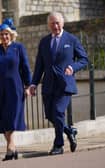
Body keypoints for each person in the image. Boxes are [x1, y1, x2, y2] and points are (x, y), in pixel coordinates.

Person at [29, 12, 88, 155]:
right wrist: (33, 84)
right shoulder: (44, 42)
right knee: (50, 115)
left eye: (57, 23)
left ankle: (58, 145)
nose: (55, 26)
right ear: (48, 25)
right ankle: (69, 130)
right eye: (52, 23)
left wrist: (72, 67)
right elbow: (39, 66)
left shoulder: (71, 39)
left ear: (62, 23)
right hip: (48, 84)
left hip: (64, 84)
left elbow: (83, 59)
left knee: (58, 112)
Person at [0, 18, 32, 161]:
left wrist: (28, 85)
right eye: (1, 34)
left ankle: (10, 149)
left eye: (6, 34)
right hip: (0, 89)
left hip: (15, 88)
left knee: (12, 118)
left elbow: (25, 68)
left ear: (11, 35)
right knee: (3, 120)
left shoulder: (18, 48)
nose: (4, 37)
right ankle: (13, 148)